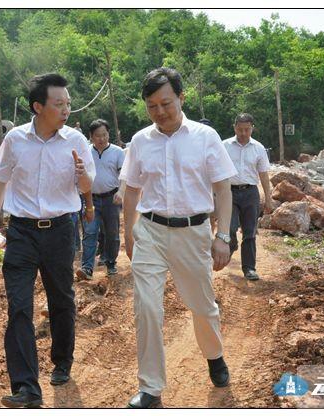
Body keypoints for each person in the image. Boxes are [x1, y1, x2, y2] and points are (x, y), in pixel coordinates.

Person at [121, 67, 237, 408]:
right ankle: (150, 389)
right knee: (146, 307)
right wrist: (128, 234)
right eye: (152, 106)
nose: (159, 112)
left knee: (202, 306)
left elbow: (223, 188)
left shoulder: (206, 137)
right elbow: (131, 190)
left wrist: (223, 236)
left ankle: (214, 355)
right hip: (151, 231)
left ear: (181, 98)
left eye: (166, 103)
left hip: (193, 233)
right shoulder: (140, 141)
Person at [0, 73, 95, 408]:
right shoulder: (16, 139)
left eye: (68, 104)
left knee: (61, 299)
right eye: (58, 104)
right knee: (19, 306)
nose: (66, 110)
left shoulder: (76, 140)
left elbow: (87, 186)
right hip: (21, 232)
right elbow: (1, 179)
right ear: (38, 107)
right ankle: (26, 387)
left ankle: (62, 360)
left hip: (60, 230)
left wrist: (82, 176)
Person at [222, 113, 273, 281]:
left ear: (252, 128)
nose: (243, 133)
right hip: (229, 193)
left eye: (247, 129)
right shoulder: (224, 146)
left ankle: (249, 268)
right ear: (234, 127)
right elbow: (216, 171)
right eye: (240, 129)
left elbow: (264, 174)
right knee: (229, 228)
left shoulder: (258, 148)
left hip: (251, 193)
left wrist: (268, 199)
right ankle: (232, 244)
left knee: (250, 232)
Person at [76, 118, 125, 279]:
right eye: (98, 135)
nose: (102, 139)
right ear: (91, 136)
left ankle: (111, 263)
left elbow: (123, 176)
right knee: (90, 232)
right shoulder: (86, 153)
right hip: (91, 199)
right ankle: (87, 268)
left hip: (111, 199)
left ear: (108, 134)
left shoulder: (117, 152)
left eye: (104, 135)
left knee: (112, 233)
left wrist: (121, 192)